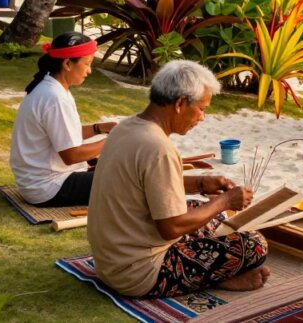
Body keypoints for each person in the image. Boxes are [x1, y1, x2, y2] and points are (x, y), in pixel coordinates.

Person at [88, 60, 268, 298]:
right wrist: (224, 201)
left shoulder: (126, 128)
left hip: (109, 263)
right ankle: (216, 278)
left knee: (206, 213)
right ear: (181, 103)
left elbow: (148, 183)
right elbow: (170, 228)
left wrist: (202, 184)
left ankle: (215, 274)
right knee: (254, 244)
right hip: (138, 274)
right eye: (202, 109)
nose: (202, 117)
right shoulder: (158, 148)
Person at [9, 32, 116, 207]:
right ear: (67, 64)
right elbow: (71, 156)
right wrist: (112, 140)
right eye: (87, 64)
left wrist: (98, 128)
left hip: (36, 183)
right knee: (127, 176)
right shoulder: (54, 97)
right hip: (47, 188)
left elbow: (64, 134)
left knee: (116, 167)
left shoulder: (50, 88)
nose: (89, 71)